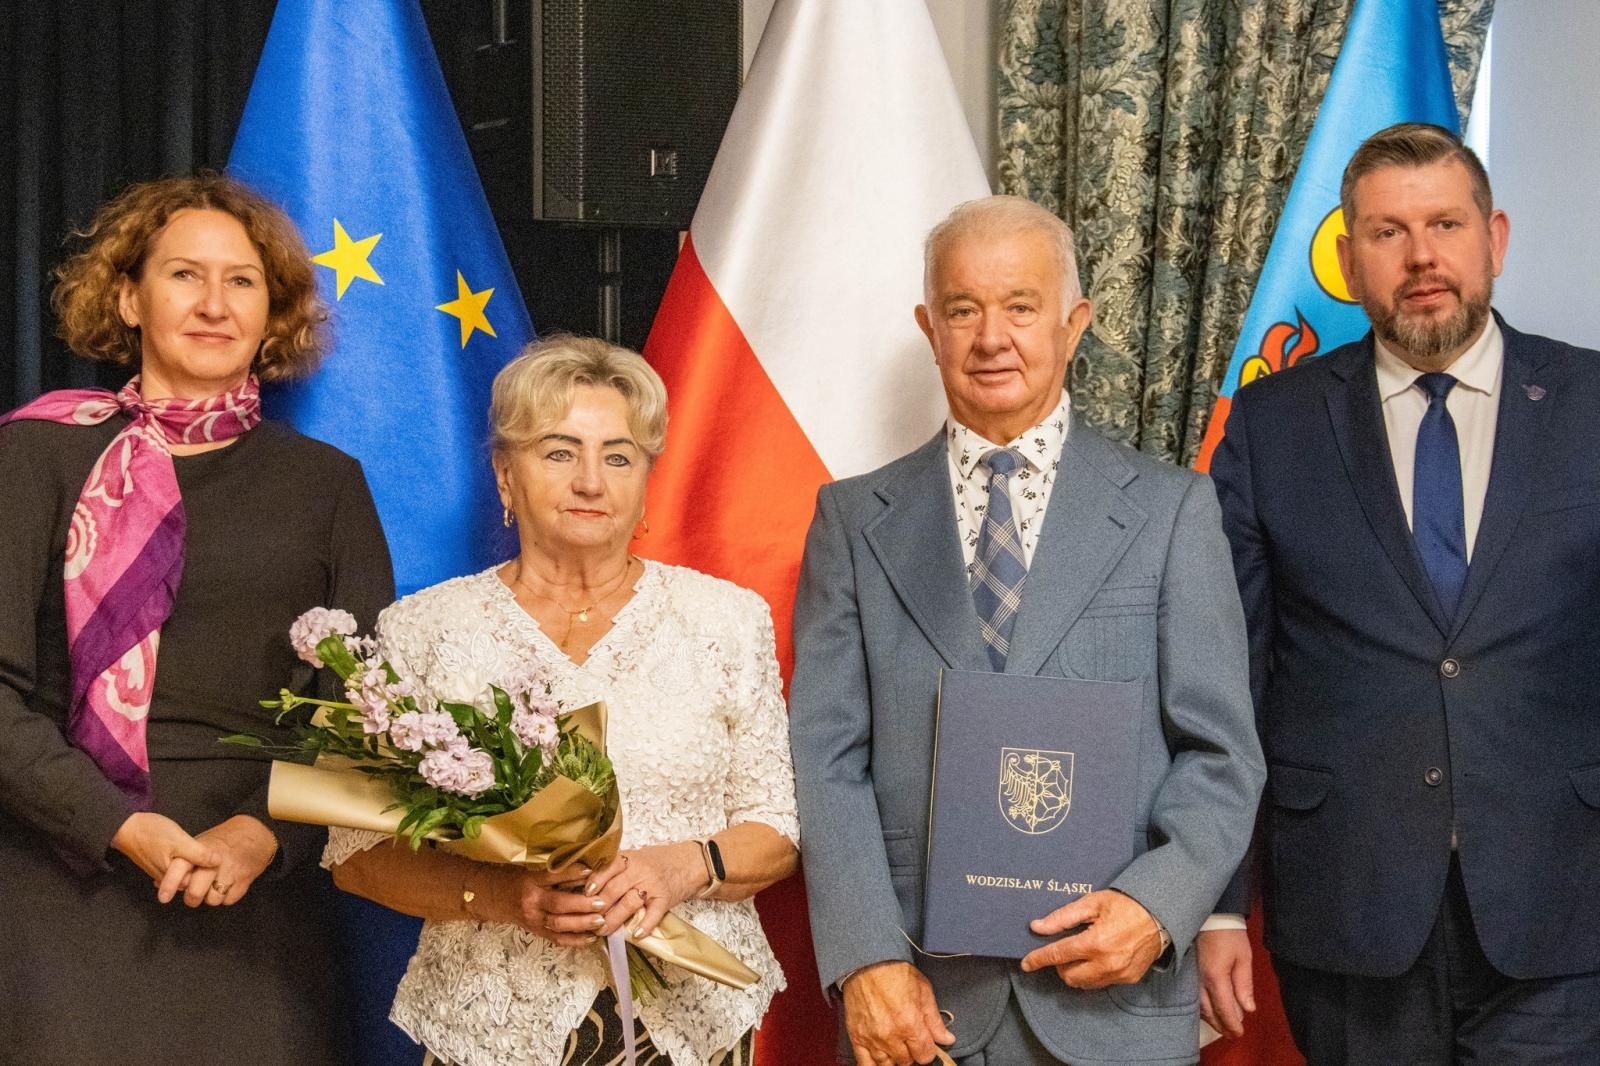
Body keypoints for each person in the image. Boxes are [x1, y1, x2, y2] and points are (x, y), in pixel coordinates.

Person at [787, 194, 1264, 1066]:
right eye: (963, 309)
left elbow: (1223, 754)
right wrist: (865, 957)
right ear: (930, 327)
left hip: (1114, 999)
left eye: (1020, 306)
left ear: (1074, 323)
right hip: (919, 1007)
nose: (990, 337)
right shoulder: (853, 523)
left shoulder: (1172, 513)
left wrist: (1158, 908)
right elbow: (825, 758)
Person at [1203, 122, 1600, 1063]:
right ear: (1347, 259)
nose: (1422, 257)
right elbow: (1229, 679)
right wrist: (1219, 903)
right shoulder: (1272, 425)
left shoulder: (1593, 405)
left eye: (1445, 225)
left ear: (1492, 239)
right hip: (1350, 911)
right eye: (1387, 233)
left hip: (1567, 909)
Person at [0, 174, 395, 1064]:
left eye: (243, 281)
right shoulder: (33, 454)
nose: (214, 304)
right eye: (185, 275)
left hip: (255, 888)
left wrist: (263, 836)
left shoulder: (328, 485)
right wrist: (114, 825)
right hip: (61, 872)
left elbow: (363, 716)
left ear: (274, 312)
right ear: (130, 298)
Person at [325, 335, 800, 1066]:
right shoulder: (422, 630)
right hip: (489, 1029)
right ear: (505, 476)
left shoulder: (726, 620)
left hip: (694, 1025)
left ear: (646, 480)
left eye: (618, 456)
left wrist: (681, 866)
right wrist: (511, 897)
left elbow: (778, 827)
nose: (590, 480)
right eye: (558, 452)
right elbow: (357, 853)